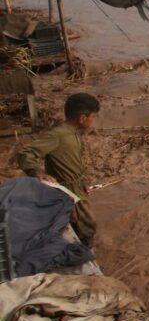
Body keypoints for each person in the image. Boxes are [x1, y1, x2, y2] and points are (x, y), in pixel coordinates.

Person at [17, 92, 100, 246]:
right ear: (82, 118)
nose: (93, 121)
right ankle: (82, 253)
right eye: (93, 117)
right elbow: (25, 153)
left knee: (83, 224)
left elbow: (72, 163)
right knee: (87, 224)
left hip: (76, 187)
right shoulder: (58, 135)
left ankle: (81, 248)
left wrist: (83, 183)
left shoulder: (73, 133)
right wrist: (38, 173)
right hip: (65, 190)